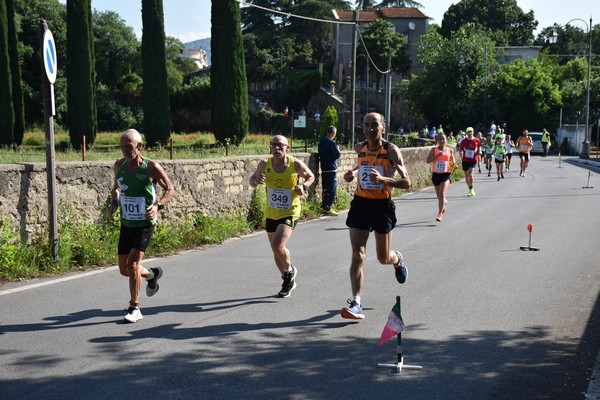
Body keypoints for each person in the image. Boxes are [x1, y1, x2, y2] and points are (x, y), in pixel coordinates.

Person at [340, 112, 411, 320]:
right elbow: (361, 164)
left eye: (375, 125)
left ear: (383, 127)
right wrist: (352, 173)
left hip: (381, 206)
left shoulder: (391, 151)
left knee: (382, 257)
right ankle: (356, 304)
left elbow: (407, 182)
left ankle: (397, 259)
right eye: (366, 125)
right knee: (357, 254)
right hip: (360, 204)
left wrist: (384, 179)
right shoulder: (360, 148)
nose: (370, 129)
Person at [109, 129, 175, 323]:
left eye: (128, 147)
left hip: (145, 223)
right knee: (124, 269)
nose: (124, 151)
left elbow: (170, 189)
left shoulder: (151, 167)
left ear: (139, 146)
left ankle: (134, 307)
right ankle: (152, 274)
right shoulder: (119, 165)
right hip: (127, 222)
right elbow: (115, 187)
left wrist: (158, 205)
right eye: (121, 147)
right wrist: (114, 203)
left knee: (133, 264)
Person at [249, 135, 315, 298]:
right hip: (271, 212)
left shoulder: (295, 164)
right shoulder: (264, 164)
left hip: (290, 211)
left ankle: (289, 271)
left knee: (278, 244)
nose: (276, 148)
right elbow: (251, 182)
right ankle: (287, 278)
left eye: (280, 145)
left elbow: (311, 176)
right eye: (274, 145)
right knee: (275, 249)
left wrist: (303, 186)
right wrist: (256, 180)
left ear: (287, 148)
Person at [426, 133, 457, 222]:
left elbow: (452, 158)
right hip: (436, 174)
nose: (442, 141)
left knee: (442, 194)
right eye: (440, 139)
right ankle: (444, 202)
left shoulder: (449, 150)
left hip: (445, 174)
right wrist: (437, 156)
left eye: (443, 139)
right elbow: (427, 161)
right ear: (437, 140)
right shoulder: (434, 150)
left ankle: (439, 214)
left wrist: (454, 164)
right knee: (439, 196)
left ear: (446, 140)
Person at [318, 125, 341, 215]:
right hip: (331, 169)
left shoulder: (321, 142)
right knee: (332, 189)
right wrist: (337, 148)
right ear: (334, 133)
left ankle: (324, 205)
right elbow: (337, 155)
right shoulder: (331, 143)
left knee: (325, 188)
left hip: (324, 168)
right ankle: (328, 207)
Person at [459, 127, 480, 197]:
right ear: (466, 133)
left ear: (473, 132)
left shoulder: (477, 140)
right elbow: (461, 148)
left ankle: (471, 189)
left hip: (473, 160)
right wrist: (461, 153)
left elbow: (479, 148)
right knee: (466, 175)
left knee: (470, 173)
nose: (470, 133)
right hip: (465, 160)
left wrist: (479, 153)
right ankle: (469, 189)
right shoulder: (464, 141)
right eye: (468, 132)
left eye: (471, 131)